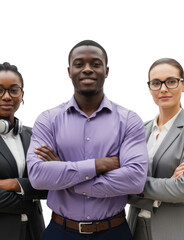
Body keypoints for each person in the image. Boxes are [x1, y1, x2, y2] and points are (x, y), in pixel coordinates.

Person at [26, 40, 149, 240]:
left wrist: (68, 179)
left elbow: (134, 179)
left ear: (106, 70)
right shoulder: (48, 120)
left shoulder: (129, 120)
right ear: (69, 71)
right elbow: (38, 176)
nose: (87, 69)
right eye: (79, 64)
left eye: (95, 64)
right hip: (61, 232)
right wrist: (98, 164)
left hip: (114, 232)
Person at [127, 58, 184, 240]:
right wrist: (167, 184)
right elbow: (118, 185)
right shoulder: (139, 130)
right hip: (136, 228)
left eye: (171, 81)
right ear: (150, 88)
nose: (163, 89)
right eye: (156, 83)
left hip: (177, 229)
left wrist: (133, 184)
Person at [0, 62, 47, 240]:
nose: (6, 97)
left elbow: (52, 185)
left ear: (22, 94)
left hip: (34, 232)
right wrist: (30, 199)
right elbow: (41, 186)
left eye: (13, 90)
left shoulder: (34, 135)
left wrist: (15, 184)